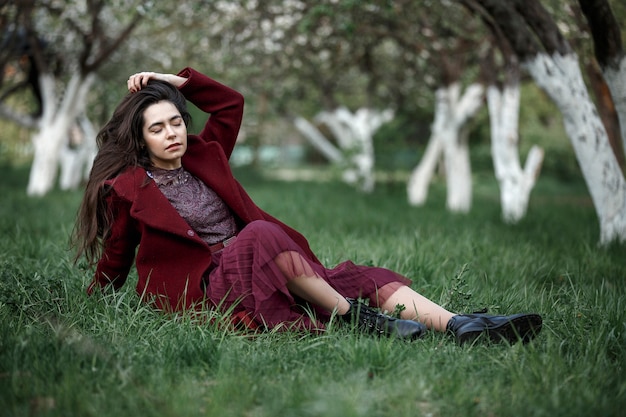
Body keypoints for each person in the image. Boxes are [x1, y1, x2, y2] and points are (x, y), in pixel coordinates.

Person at [73, 68, 542, 345]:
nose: (172, 133)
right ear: (139, 137)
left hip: (268, 264)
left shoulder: (204, 152)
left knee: (361, 277)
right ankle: (358, 320)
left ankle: (460, 325)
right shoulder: (129, 188)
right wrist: (94, 302)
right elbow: (117, 256)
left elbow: (230, 104)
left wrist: (176, 81)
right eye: (158, 129)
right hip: (214, 286)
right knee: (256, 234)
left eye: (176, 122)